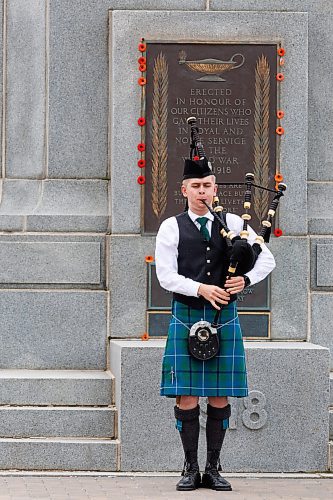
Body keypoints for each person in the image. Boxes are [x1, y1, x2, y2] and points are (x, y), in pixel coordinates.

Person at [155, 158, 275, 491]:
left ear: (215, 188)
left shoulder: (234, 221)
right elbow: (165, 275)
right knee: (187, 396)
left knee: (221, 396)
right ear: (184, 190)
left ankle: (214, 467)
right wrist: (201, 288)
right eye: (195, 186)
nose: (202, 191)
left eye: (207, 185)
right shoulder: (171, 227)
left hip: (224, 319)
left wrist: (246, 279)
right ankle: (190, 468)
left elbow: (266, 257)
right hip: (187, 314)